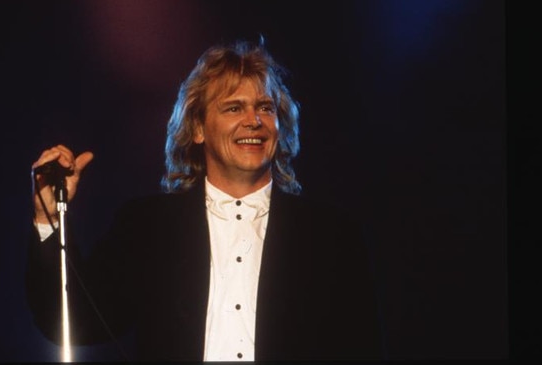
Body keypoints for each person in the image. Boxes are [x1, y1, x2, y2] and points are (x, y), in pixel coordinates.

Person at [26, 38, 384, 362]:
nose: (254, 121)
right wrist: (49, 215)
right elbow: (70, 321)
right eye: (233, 108)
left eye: (265, 107)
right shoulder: (148, 226)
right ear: (197, 128)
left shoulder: (332, 236)